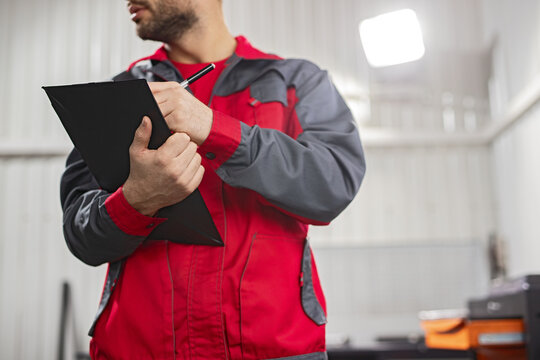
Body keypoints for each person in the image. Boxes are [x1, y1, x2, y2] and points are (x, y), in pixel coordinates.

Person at [60, 0, 366, 359]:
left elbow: (332, 185)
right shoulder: (117, 96)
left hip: (275, 350)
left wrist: (217, 130)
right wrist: (135, 201)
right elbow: (82, 237)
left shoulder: (295, 82)